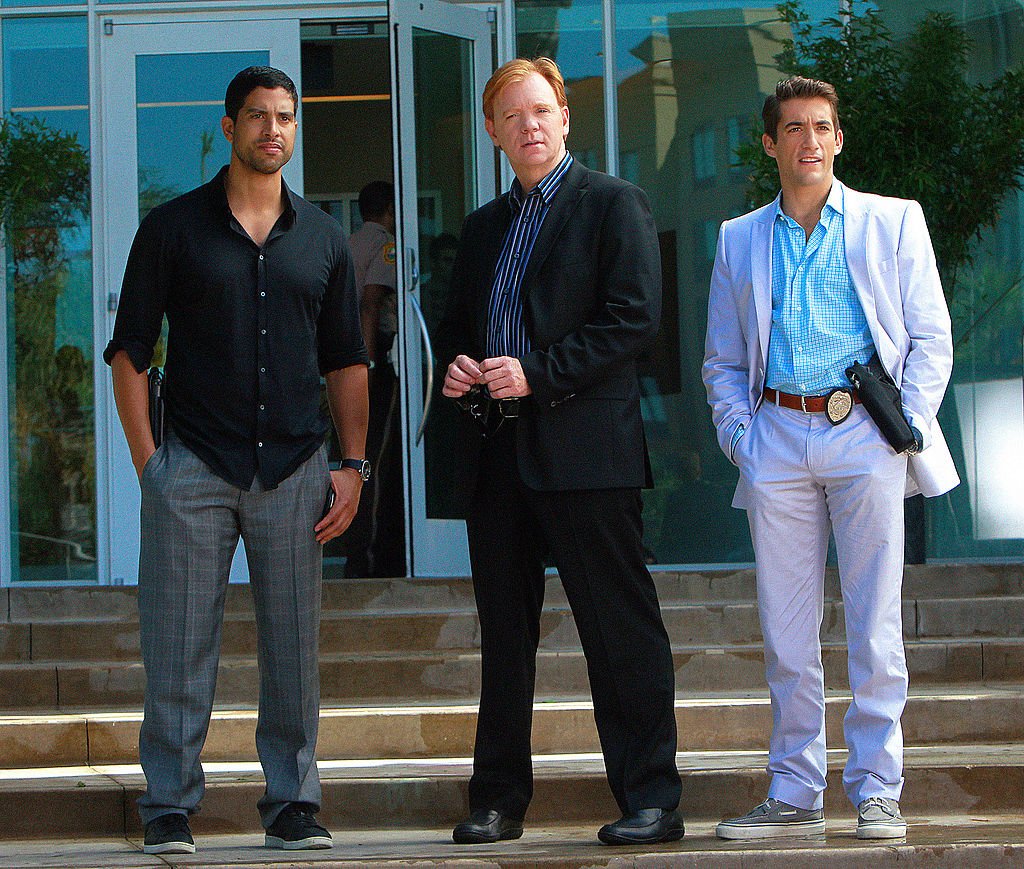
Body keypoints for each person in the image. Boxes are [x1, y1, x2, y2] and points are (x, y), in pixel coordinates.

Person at [104, 66, 370, 855]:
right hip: (193, 465)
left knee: (293, 649)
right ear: (229, 127)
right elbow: (130, 352)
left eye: (285, 116)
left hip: (295, 470)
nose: (272, 130)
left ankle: (293, 802)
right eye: (256, 116)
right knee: (178, 644)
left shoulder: (323, 236)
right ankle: (168, 806)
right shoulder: (172, 228)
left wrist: (352, 465)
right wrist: (151, 464)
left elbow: (346, 360)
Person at [703, 76, 959, 840]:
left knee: (875, 622)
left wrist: (902, 426)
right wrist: (741, 439)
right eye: (794, 128)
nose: (809, 140)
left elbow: (930, 338)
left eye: (822, 126)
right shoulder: (738, 237)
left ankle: (878, 787)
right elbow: (720, 359)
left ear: (838, 139)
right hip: (777, 431)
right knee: (786, 630)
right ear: (770, 143)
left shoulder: (893, 221)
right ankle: (794, 788)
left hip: (865, 437)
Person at [440, 57, 683, 847]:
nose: (530, 125)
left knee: (619, 630)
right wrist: (463, 367)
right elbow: (460, 328)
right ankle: (497, 799)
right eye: (513, 116)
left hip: (586, 453)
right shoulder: (481, 228)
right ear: (493, 132)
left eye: (542, 110)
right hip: (497, 455)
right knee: (504, 639)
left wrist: (535, 374)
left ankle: (651, 798)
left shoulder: (614, 204)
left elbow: (634, 320)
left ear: (566, 117)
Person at [344, 181, 405, 577]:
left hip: (346, 366)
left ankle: (362, 553)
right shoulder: (384, 243)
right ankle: (368, 560)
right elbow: (371, 301)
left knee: (357, 459)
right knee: (374, 462)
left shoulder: (349, 243)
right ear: (387, 209)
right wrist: (368, 364)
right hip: (371, 364)